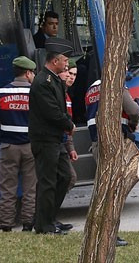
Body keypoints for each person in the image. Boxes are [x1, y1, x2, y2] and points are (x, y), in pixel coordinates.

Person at [85, 76, 139, 247]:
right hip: (114, 143)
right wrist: (133, 123)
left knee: (103, 189)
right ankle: (109, 234)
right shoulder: (115, 84)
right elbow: (133, 111)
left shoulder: (91, 88)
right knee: (112, 191)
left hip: (97, 143)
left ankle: (97, 232)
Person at [29, 37, 75, 235]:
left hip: (56, 139)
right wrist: (69, 124)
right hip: (45, 139)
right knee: (47, 182)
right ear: (55, 61)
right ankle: (43, 225)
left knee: (65, 177)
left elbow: (60, 108)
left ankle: (50, 217)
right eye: (65, 61)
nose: (66, 64)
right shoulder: (42, 82)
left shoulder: (54, 80)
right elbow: (52, 112)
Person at [0, 56, 38, 232]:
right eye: (32, 72)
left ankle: (6, 225)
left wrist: (3, 140)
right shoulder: (35, 93)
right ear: (27, 73)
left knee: (7, 188)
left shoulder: (1, 93)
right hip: (31, 147)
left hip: (8, 147)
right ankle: (28, 223)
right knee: (30, 188)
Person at [58, 61, 78, 196]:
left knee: (69, 178)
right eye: (69, 73)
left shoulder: (67, 95)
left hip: (63, 143)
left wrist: (70, 148)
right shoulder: (58, 93)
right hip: (55, 143)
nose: (71, 77)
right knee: (69, 177)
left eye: (74, 75)